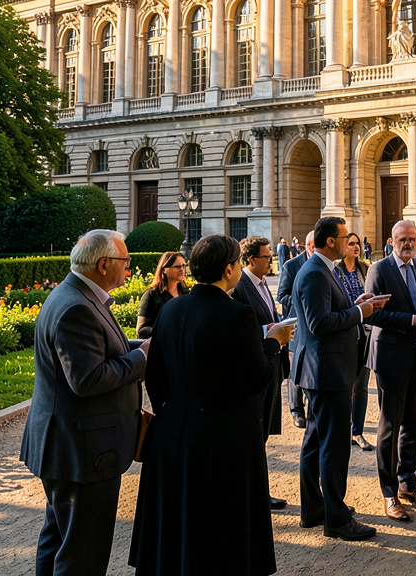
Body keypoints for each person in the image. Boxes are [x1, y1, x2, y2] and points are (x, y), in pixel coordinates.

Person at [128, 234, 281, 576]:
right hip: (222, 440)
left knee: (178, 529)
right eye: (239, 264)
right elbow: (255, 381)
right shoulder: (237, 314)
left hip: (173, 431)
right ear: (229, 269)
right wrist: (272, 344)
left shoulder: (170, 309)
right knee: (220, 538)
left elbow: (156, 375)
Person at [21, 230, 148, 576]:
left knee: (59, 537)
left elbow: (98, 350)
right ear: (103, 264)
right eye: (125, 261)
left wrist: (140, 345)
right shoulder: (77, 307)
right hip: (83, 450)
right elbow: (88, 379)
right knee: (82, 553)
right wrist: (141, 359)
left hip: (71, 447)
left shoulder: (76, 295)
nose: (130, 268)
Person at [294, 216, 380, 540]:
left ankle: (315, 509)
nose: (349, 241)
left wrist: (356, 304)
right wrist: (360, 314)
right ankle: (337, 518)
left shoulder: (322, 268)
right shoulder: (316, 272)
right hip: (327, 372)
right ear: (331, 241)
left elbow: (328, 312)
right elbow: (319, 323)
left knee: (316, 442)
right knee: (334, 446)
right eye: (344, 236)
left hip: (321, 370)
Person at [365, 220, 416, 521]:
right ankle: (389, 492)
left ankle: (408, 482)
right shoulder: (378, 270)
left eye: (412, 239)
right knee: (389, 427)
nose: (408, 243)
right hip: (390, 358)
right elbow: (373, 314)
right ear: (391, 240)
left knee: (414, 424)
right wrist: (413, 321)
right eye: (402, 239)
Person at [232, 236, 295, 510]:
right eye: (267, 257)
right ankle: (251, 494)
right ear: (250, 260)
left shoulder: (261, 284)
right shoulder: (239, 287)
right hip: (256, 367)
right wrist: (269, 334)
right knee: (252, 436)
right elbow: (238, 330)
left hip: (271, 365)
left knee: (262, 435)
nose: (271, 261)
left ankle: (256, 491)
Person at [335, 232, 373, 452]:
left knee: (362, 386)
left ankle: (357, 431)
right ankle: (343, 429)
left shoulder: (365, 269)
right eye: (351, 244)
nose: (356, 247)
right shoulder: (335, 271)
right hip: (344, 333)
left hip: (365, 333)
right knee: (345, 386)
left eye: (358, 243)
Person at [277, 230, 315, 428]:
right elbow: (281, 295)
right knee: (295, 369)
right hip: (296, 325)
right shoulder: (291, 265)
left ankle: (310, 410)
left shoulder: (327, 265)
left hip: (316, 326)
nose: (316, 249)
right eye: (313, 245)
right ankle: (296, 410)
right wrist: (304, 302)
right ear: (306, 245)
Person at [136, 251, 189, 338]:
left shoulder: (185, 293)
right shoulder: (152, 295)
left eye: (184, 265)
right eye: (177, 266)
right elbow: (141, 330)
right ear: (164, 269)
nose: (182, 269)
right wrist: (168, 330)